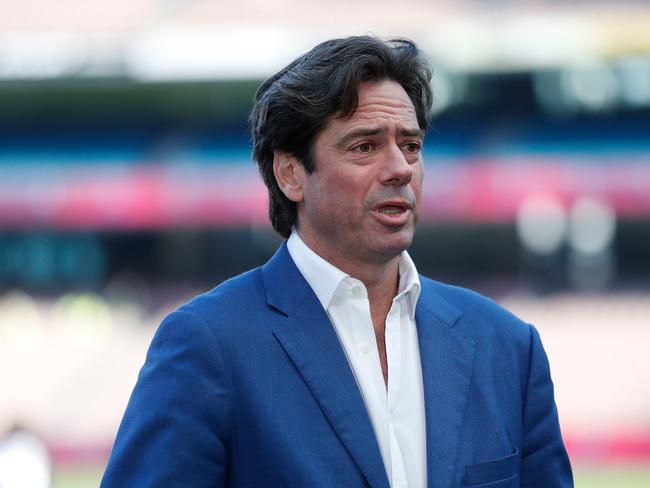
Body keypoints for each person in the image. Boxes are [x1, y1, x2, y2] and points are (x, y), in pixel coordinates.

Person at [101, 36, 573, 487]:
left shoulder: (508, 347)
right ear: (290, 174)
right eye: (365, 146)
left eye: (410, 145)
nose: (400, 168)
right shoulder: (208, 346)